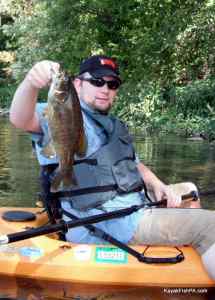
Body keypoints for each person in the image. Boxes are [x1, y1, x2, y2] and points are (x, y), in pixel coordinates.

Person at [10, 55, 215, 280]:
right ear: (77, 84)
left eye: (112, 84)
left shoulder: (114, 125)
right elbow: (21, 118)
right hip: (106, 223)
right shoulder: (62, 110)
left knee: (188, 189)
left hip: (132, 208)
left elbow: (134, 164)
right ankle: (201, 245)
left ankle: (193, 264)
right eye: (97, 81)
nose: (105, 89)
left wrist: (159, 185)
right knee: (211, 225)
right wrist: (30, 83)